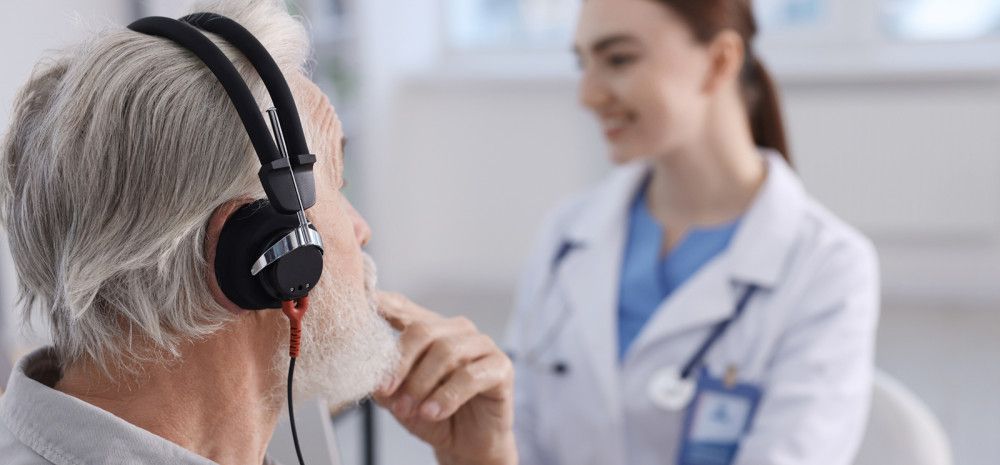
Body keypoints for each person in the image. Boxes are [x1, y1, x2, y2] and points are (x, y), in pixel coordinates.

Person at [0, 2, 515, 464]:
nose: (363, 230)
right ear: (257, 251)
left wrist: (479, 459)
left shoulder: (277, 437)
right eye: (339, 181)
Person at [505, 0, 880, 464]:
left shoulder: (828, 267)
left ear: (720, 61)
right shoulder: (567, 234)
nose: (588, 94)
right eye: (583, 63)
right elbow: (517, 434)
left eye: (619, 59)